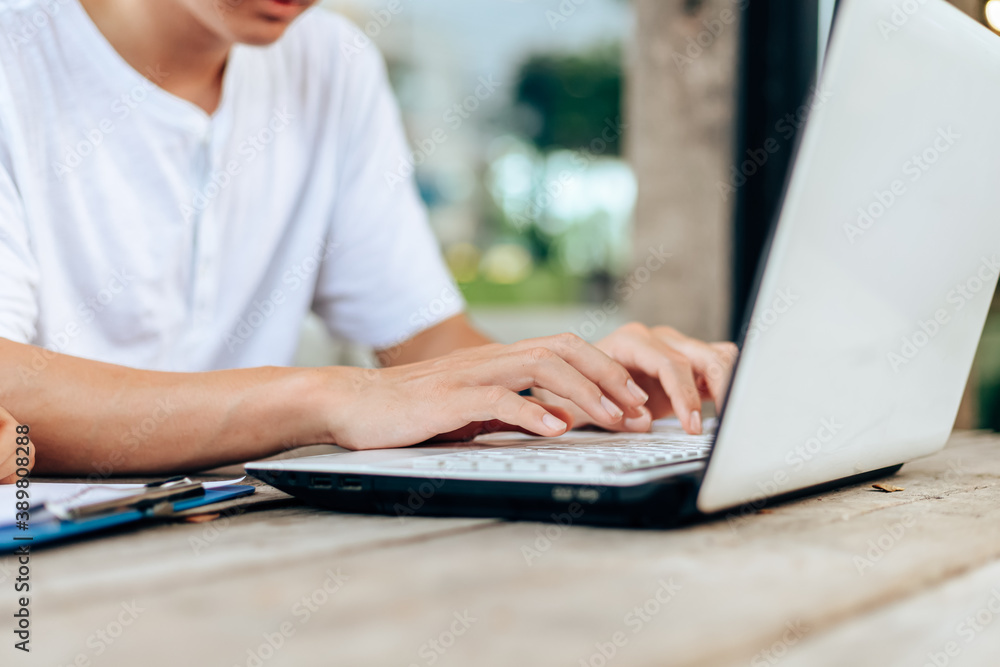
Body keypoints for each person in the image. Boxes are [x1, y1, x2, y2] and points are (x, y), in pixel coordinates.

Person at [0, 0, 738, 480]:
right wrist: (329, 398)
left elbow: (423, 348)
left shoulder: (330, 63)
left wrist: (582, 384)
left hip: (230, 547)